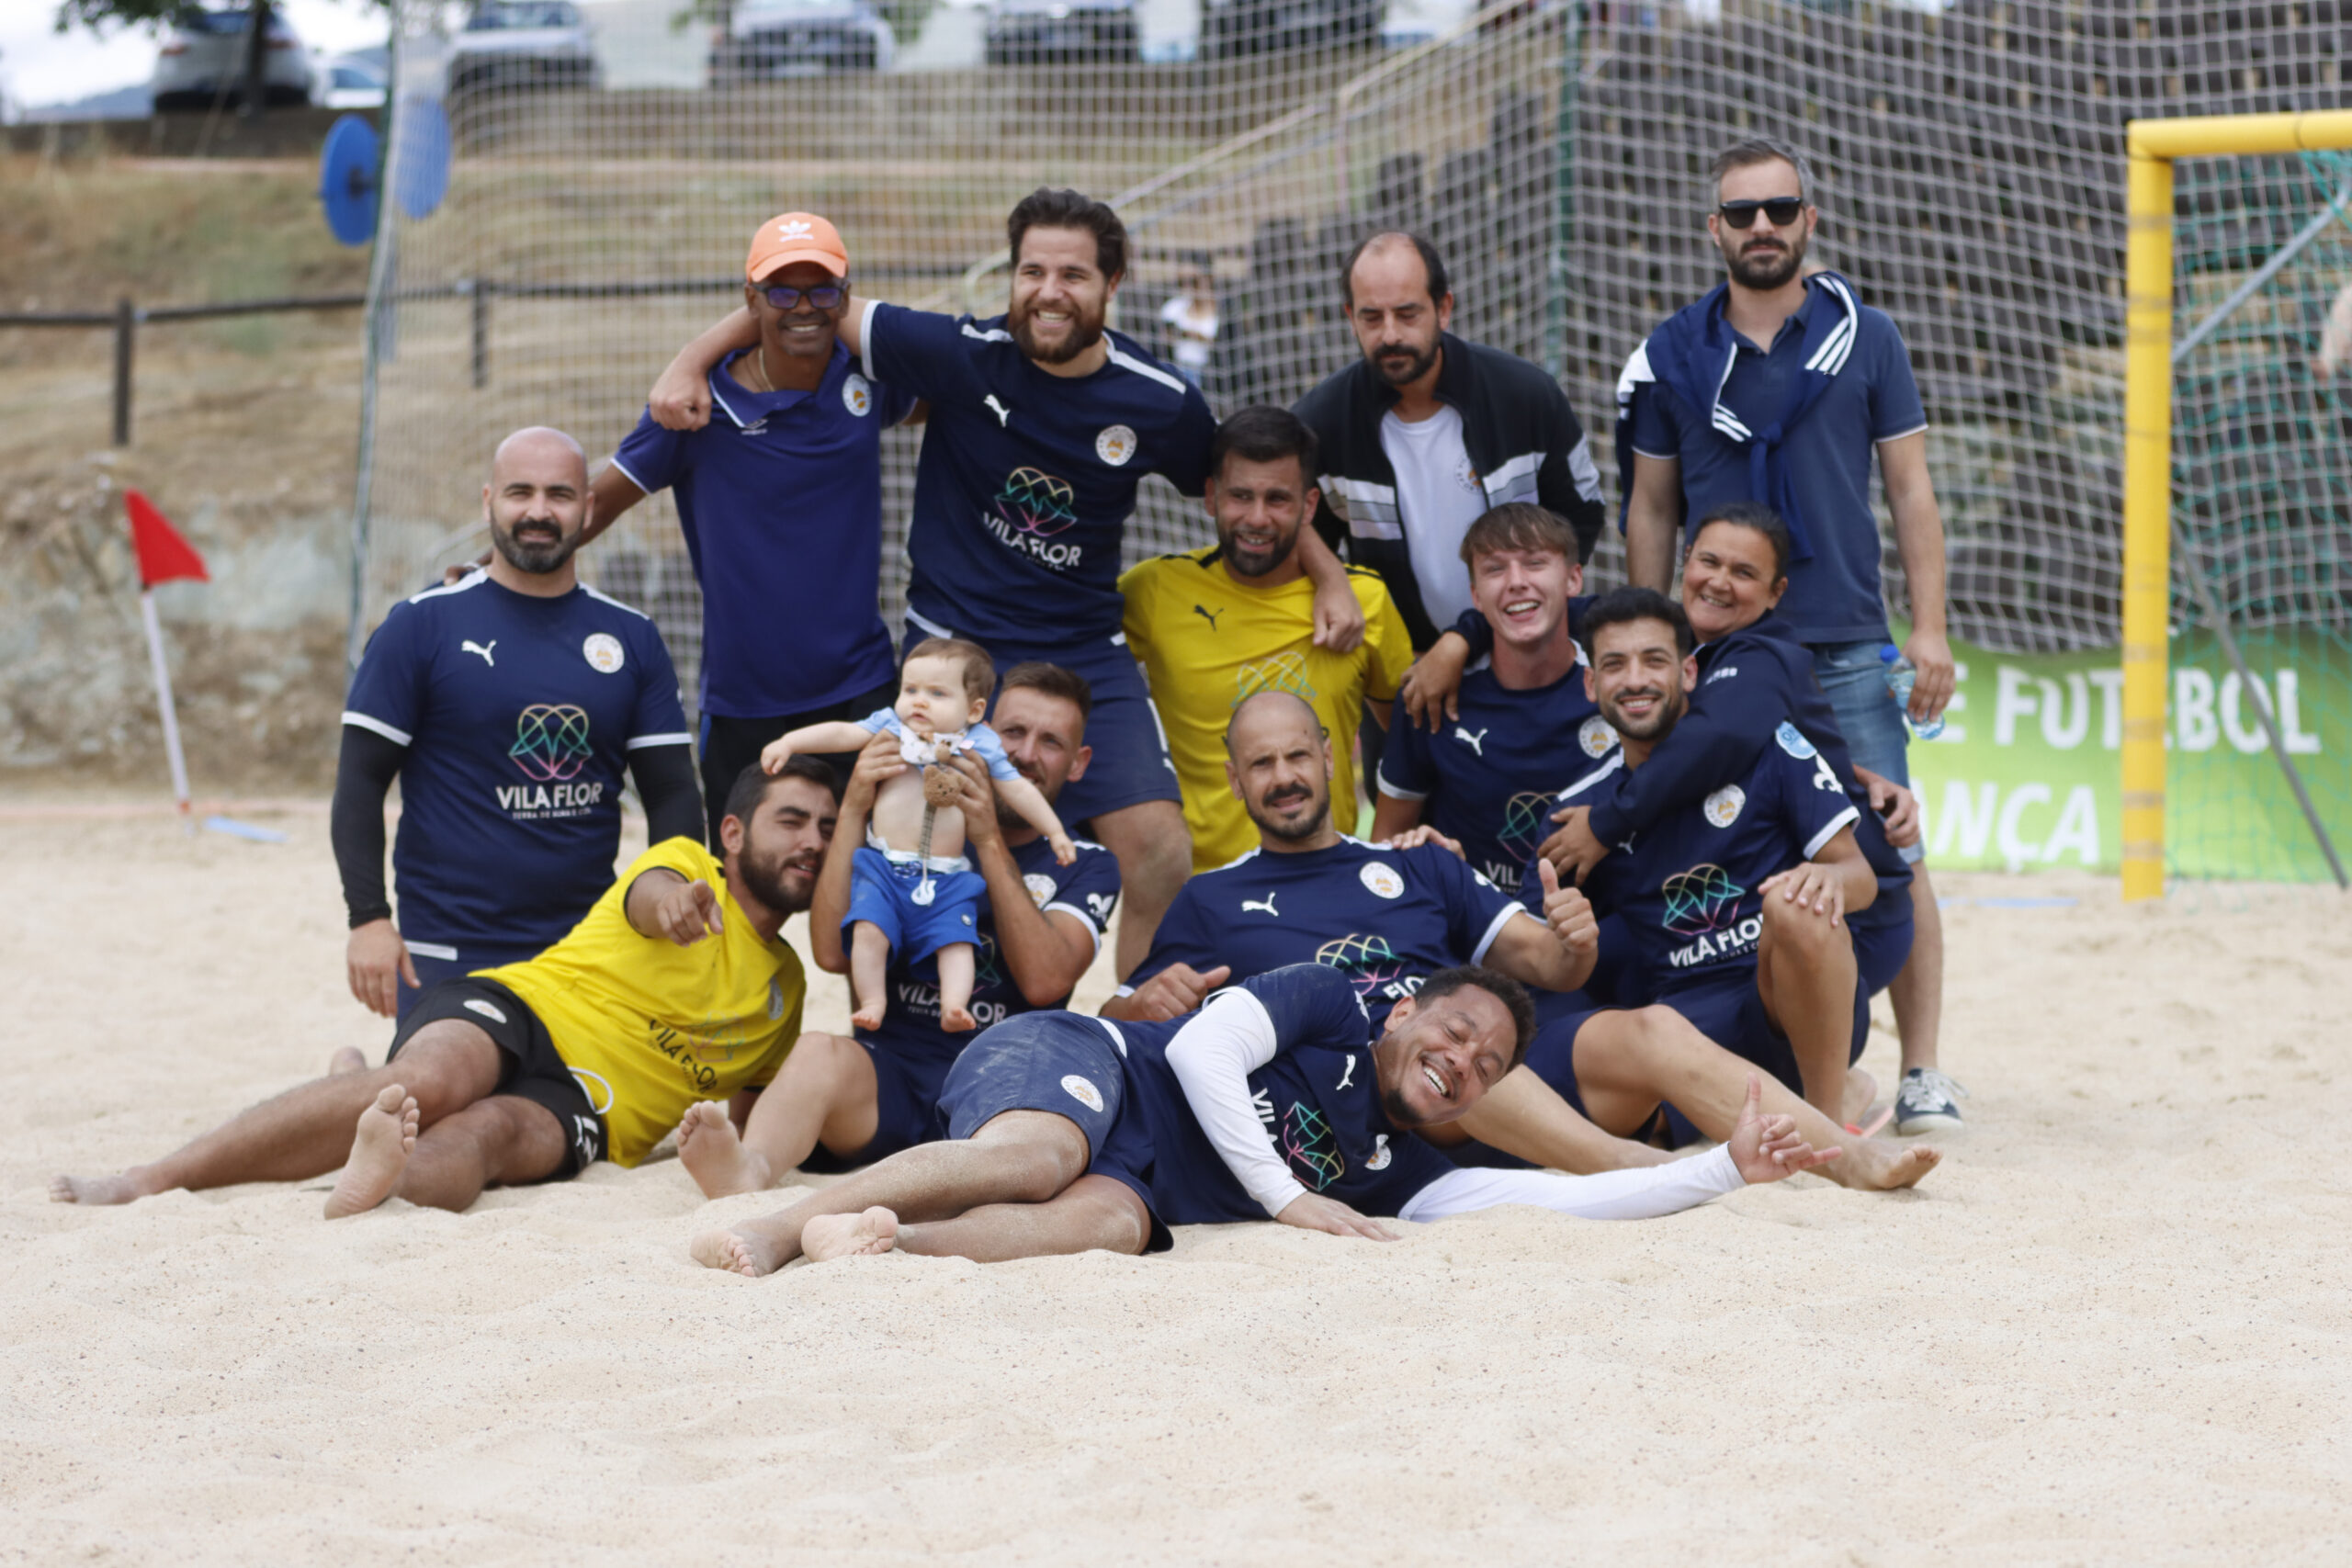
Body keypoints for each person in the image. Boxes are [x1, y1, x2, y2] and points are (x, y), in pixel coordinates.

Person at [645, 187, 1372, 978]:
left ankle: (1136, 1032)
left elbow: (1245, 490)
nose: (1050, 292)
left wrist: (1326, 569)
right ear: (1011, 277)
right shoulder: (957, 352)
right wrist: (690, 361)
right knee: (925, 834)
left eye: (1073, 274)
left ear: (1113, 285)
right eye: (1032, 271)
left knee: (1160, 844)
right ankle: (915, 1026)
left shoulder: (1156, 400)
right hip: (955, 639)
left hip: (1082, 646)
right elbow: (801, 309)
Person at [690, 963, 1837, 1273]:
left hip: (1145, 1183)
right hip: (1089, 1059)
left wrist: (1728, 1168)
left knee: (1100, 1228)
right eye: (1452, 1035)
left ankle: (879, 1247)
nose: (1460, 1064)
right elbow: (1196, 1046)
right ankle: (789, 1222)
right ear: (1405, 1016)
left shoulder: (1410, 1171)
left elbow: (1578, 1196)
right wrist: (1288, 1197)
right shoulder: (1331, 1002)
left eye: (1484, 1067)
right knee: (1038, 1159)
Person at [53, 762, 838, 1216]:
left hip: (589, 1107)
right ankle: (151, 1178)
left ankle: (362, 1173)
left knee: (485, 1135)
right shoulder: (687, 867)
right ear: (733, 834)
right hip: (527, 1007)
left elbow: (743, 1121)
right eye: (792, 820)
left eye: (828, 830)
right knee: (429, 1081)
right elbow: (652, 892)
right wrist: (669, 905)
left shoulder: (786, 991)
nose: (811, 841)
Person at [1617, 137, 1960, 1133]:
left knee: (1894, 844)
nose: (1760, 226)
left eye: (1779, 209)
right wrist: (1653, 644)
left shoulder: (1871, 335)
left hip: (1848, 642)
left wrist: (1928, 628)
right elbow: (1649, 507)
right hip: (1717, 652)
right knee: (1710, 841)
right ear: (1712, 229)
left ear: (1808, 219)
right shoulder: (1671, 352)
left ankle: (1922, 1072)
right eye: (1741, 212)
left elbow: (1909, 488)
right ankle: (1776, 1051)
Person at [675, 663, 1118, 1196]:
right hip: (887, 1076)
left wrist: (988, 840)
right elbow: (829, 954)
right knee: (818, 1049)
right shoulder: (900, 832)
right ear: (980, 729)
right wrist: (857, 805)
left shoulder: (1090, 862)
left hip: (1005, 1083)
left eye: (1051, 742)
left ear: (1078, 763)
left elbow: (1045, 981)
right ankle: (749, 1171)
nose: (1025, 754)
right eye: (1014, 733)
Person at [335, 426, 700, 1023]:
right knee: (449, 1103)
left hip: (586, 946)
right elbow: (359, 781)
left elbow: (672, 792)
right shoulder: (419, 627)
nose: (538, 511)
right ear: (488, 502)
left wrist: (671, 886)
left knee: (569, 1115)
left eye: (559, 494)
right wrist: (369, 918)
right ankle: (349, 1075)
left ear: (587, 505)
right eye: (519, 492)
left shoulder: (632, 637)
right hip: (449, 948)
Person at [585, 212, 920, 845]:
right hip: (744, 704)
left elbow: (960, 392)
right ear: (751, 298)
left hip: (861, 690)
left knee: (872, 899)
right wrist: (498, 572)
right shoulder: (694, 408)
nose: (803, 307)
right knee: (739, 901)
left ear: (845, 299)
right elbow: (595, 506)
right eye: (781, 290)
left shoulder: (867, 376)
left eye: (821, 290)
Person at [1544, 588, 1896, 1122]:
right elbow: (1539, 954)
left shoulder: (1770, 747)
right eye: (1615, 665)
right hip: (1684, 1024)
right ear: (1592, 684)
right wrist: (1569, 938)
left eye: (1654, 660)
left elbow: (1860, 878)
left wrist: (1828, 882)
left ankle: (1828, 1127)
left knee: (1794, 903)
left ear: (1689, 673)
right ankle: (1808, 1103)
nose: (1636, 680)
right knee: (1606, 1101)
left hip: (1789, 999)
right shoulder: (1579, 815)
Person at [1119, 405, 1412, 874]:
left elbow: (1411, 741)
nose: (1257, 518)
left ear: (1309, 506)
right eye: (1240, 496)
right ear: (1211, 497)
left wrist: (1380, 854)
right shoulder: (1154, 591)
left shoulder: (1365, 602)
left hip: (1326, 881)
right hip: (1197, 890)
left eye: (1278, 499)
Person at [1294, 231, 1609, 652]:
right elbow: (1297, 531)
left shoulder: (1526, 396)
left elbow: (1580, 515)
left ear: (1444, 309)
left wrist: (1505, 626)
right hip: (1401, 673)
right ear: (1350, 317)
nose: (1389, 335)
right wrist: (1333, 581)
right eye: (1372, 318)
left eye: (1407, 314)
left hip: (1528, 655)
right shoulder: (1320, 423)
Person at [761, 637, 1074, 1032]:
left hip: (945, 875)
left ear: (975, 709)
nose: (919, 702)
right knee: (868, 931)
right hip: (884, 864)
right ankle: (873, 1000)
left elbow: (1017, 789)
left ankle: (954, 1006)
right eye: (910, 690)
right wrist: (791, 742)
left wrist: (1055, 831)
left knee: (957, 942)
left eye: (937, 693)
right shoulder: (892, 729)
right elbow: (844, 733)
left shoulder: (978, 745)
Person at [1370, 502, 1608, 895]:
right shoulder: (1430, 691)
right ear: (1476, 597)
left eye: (1534, 563)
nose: (1516, 581)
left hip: (1607, 925)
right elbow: (1385, 843)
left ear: (1573, 579)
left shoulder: (1617, 677)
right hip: (1477, 937)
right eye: (1495, 569)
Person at [1159, 260, 1217, 389]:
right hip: (1178, 366)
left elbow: (1216, 341)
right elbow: (1164, 336)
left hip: (1207, 370)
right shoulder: (1175, 307)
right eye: (1182, 282)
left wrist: (1192, 334)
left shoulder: (1220, 311)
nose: (1189, 287)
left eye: (1194, 282)